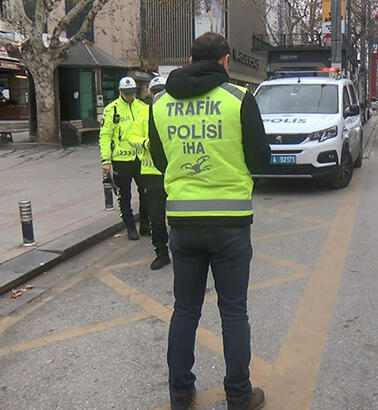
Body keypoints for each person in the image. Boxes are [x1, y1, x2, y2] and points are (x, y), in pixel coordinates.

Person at [148, 32, 270, 410]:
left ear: (189, 60)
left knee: (185, 308)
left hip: (183, 222)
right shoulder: (238, 99)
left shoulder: (160, 104)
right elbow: (260, 158)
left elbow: (159, 158)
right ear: (225, 61)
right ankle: (238, 394)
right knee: (233, 310)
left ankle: (180, 392)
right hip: (231, 222)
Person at [127, 76, 170, 270]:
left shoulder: (174, 111)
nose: (159, 94)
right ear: (150, 94)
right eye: (156, 91)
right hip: (151, 173)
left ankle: (184, 250)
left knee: (181, 215)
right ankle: (161, 252)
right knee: (156, 216)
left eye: (162, 90)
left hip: (173, 171)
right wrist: (146, 143)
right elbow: (131, 137)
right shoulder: (144, 114)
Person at [99, 76, 149, 240]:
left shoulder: (142, 107)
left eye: (132, 93)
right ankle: (130, 226)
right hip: (121, 160)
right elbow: (105, 136)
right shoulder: (111, 109)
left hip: (141, 158)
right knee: (124, 196)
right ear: (120, 91)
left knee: (146, 193)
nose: (129, 96)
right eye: (126, 93)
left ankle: (144, 224)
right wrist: (105, 160)